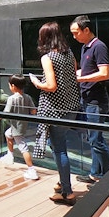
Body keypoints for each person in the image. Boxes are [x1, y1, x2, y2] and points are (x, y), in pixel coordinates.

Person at [29, 21, 81, 206]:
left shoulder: (48, 57)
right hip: (71, 108)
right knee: (60, 146)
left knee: (59, 150)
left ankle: (67, 192)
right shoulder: (70, 54)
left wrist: (36, 83)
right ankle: (62, 181)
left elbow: (51, 86)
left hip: (54, 111)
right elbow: (73, 78)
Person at [70, 15, 109, 185]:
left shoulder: (99, 46)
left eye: (76, 33)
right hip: (87, 99)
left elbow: (104, 73)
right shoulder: (85, 47)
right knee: (94, 139)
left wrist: (80, 79)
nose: (74, 36)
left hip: (96, 102)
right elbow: (86, 70)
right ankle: (95, 175)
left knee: (96, 140)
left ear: (86, 30)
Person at [0, 74, 39, 180]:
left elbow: (6, 112)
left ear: (13, 86)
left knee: (23, 147)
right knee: (7, 134)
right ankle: (10, 155)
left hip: (16, 128)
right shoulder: (27, 97)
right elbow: (33, 111)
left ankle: (31, 170)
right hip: (22, 124)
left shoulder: (12, 99)